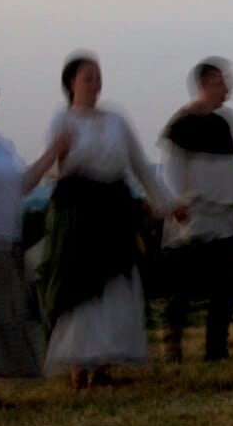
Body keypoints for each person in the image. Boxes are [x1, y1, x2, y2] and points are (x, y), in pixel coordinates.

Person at [40, 53, 183, 388]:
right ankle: (79, 368)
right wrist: (62, 154)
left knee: (116, 282)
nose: (94, 81)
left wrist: (167, 203)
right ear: (71, 83)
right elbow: (52, 167)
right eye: (87, 76)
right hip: (77, 209)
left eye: (97, 75)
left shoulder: (116, 119)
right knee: (81, 285)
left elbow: (140, 165)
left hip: (114, 206)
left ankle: (103, 366)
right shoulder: (63, 119)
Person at [158, 58, 233, 362]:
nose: (227, 88)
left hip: (222, 219)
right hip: (191, 219)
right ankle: (172, 350)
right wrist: (176, 203)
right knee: (181, 291)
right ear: (205, 84)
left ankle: (217, 349)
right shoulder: (181, 124)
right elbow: (170, 171)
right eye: (221, 82)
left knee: (224, 288)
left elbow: (229, 173)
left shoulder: (225, 124)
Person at [0, 81, 71, 405]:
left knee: (5, 316)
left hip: (5, 240)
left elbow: (23, 183)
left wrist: (54, 152)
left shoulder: (2, 145)